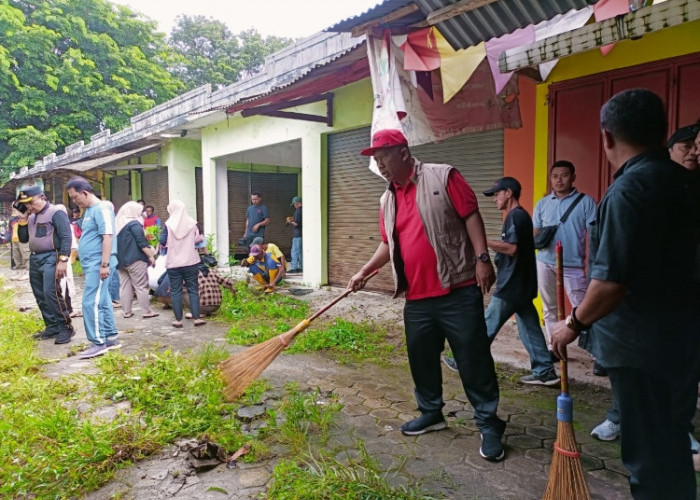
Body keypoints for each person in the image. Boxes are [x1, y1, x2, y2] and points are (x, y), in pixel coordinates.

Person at [550, 88, 700, 500]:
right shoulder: (684, 183)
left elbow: (613, 282)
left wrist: (573, 324)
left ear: (607, 137)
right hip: (681, 343)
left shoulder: (629, 190)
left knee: (648, 460)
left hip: (641, 350)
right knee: (671, 446)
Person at [347, 129, 506, 462]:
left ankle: (489, 422)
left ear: (403, 153)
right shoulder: (386, 198)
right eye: (375, 160)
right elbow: (388, 243)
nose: (379, 164)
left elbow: (471, 216)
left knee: (472, 358)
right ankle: (432, 413)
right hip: (416, 297)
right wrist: (363, 271)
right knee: (421, 358)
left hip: (458, 289)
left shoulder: (443, 176)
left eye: (383, 156)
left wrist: (482, 259)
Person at [442, 178, 559, 386]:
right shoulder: (519, 216)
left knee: (485, 325)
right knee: (530, 328)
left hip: (511, 285)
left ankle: (464, 361)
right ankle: (545, 370)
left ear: (508, 193)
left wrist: (481, 240)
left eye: (497, 194)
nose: (495, 199)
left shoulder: (515, 216)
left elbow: (512, 248)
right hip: (521, 285)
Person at [532, 160, 596, 344]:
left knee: (584, 309)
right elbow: (535, 234)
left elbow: (594, 236)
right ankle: (555, 347)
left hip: (573, 265)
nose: (559, 180)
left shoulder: (586, 202)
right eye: (555, 176)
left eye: (564, 175)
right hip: (544, 261)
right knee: (549, 308)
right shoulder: (542, 204)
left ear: (573, 177)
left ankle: (595, 353)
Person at [66, 177, 120, 358]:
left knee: (90, 302)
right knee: (102, 301)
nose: (74, 201)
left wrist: (104, 264)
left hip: (99, 264)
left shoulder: (102, 208)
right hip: (92, 263)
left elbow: (108, 237)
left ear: (85, 193)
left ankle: (98, 342)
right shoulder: (89, 210)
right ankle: (110, 337)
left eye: (75, 197)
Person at [15, 185, 75, 344]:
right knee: (40, 294)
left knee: (51, 293)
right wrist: (22, 220)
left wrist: (63, 260)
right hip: (36, 258)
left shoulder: (56, 212)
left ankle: (65, 327)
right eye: (26, 203)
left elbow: (65, 237)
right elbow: (23, 239)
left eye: (31, 202)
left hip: (51, 256)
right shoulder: (32, 216)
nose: (28, 206)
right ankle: (52, 326)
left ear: (42, 197)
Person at [159, 200, 205, 328]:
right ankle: (196, 318)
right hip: (191, 261)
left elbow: (162, 241)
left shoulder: (168, 225)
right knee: (193, 289)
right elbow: (199, 240)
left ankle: (178, 320)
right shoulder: (193, 223)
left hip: (173, 263)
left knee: (175, 291)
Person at [115, 201, 159, 319]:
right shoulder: (134, 224)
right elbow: (142, 242)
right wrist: (150, 255)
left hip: (120, 261)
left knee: (124, 286)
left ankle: (127, 312)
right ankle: (146, 311)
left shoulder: (118, 224)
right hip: (135, 259)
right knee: (141, 286)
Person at [9, 206, 30, 281]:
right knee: (16, 257)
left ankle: (27, 272)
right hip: (15, 239)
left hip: (24, 240)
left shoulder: (28, 217)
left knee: (26, 256)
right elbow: (10, 230)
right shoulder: (13, 219)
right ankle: (19, 272)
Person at [287, 196, 303, 273]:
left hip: (297, 235)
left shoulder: (298, 211)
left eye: (294, 204)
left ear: (297, 203)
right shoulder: (303, 211)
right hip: (301, 234)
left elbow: (296, 224)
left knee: (294, 251)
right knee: (300, 252)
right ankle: (301, 267)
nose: (294, 206)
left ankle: (294, 268)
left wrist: (290, 221)